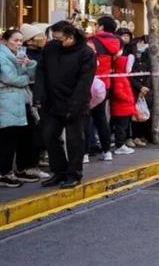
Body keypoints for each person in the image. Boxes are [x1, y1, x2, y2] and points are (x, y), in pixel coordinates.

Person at [34, 21, 96, 188]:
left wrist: (74, 105)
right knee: (49, 137)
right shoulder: (50, 49)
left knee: (74, 140)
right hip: (52, 103)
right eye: (54, 38)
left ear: (70, 37)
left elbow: (84, 83)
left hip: (75, 103)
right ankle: (59, 172)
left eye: (60, 39)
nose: (56, 42)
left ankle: (74, 174)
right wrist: (38, 95)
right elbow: (40, 71)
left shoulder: (86, 53)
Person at [0, 29, 38, 187]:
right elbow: (10, 78)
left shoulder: (17, 55)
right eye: (15, 40)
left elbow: (30, 75)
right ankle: (5, 172)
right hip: (6, 100)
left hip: (19, 100)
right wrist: (26, 79)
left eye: (20, 41)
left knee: (21, 136)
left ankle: (17, 170)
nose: (19, 44)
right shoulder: (2, 55)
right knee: (7, 138)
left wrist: (29, 64)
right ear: (5, 40)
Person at [16, 23, 50, 181]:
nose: (43, 39)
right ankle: (28, 166)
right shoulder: (24, 55)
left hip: (39, 97)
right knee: (31, 134)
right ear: (29, 41)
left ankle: (33, 162)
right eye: (39, 37)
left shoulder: (42, 53)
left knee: (37, 132)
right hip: (30, 98)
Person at [87, 15, 121, 158]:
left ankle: (86, 152)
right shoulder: (117, 42)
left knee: (86, 117)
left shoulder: (92, 41)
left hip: (89, 82)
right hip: (105, 84)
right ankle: (107, 151)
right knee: (101, 117)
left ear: (101, 26)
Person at [107, 40, 137, 158]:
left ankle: (115, 143)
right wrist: (129, 99)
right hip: (122, 107)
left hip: (122, 107)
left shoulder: (120, 76)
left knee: (117, 126)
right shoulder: (120, 77)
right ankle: (120, 145)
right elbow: (118, 92)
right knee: (121, 128)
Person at [128, 36, 152, 147]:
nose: (141, 45)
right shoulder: (131, 57)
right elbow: (130, 75)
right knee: (133, 115)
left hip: (144, 90)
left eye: (144, 43)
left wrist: (145, 87)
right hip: (133, 90)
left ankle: (140, 136)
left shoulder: (146, 57)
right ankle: (132, 136)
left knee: (142, 114)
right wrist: (139, 87)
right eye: (140, 43)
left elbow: (149, 73)